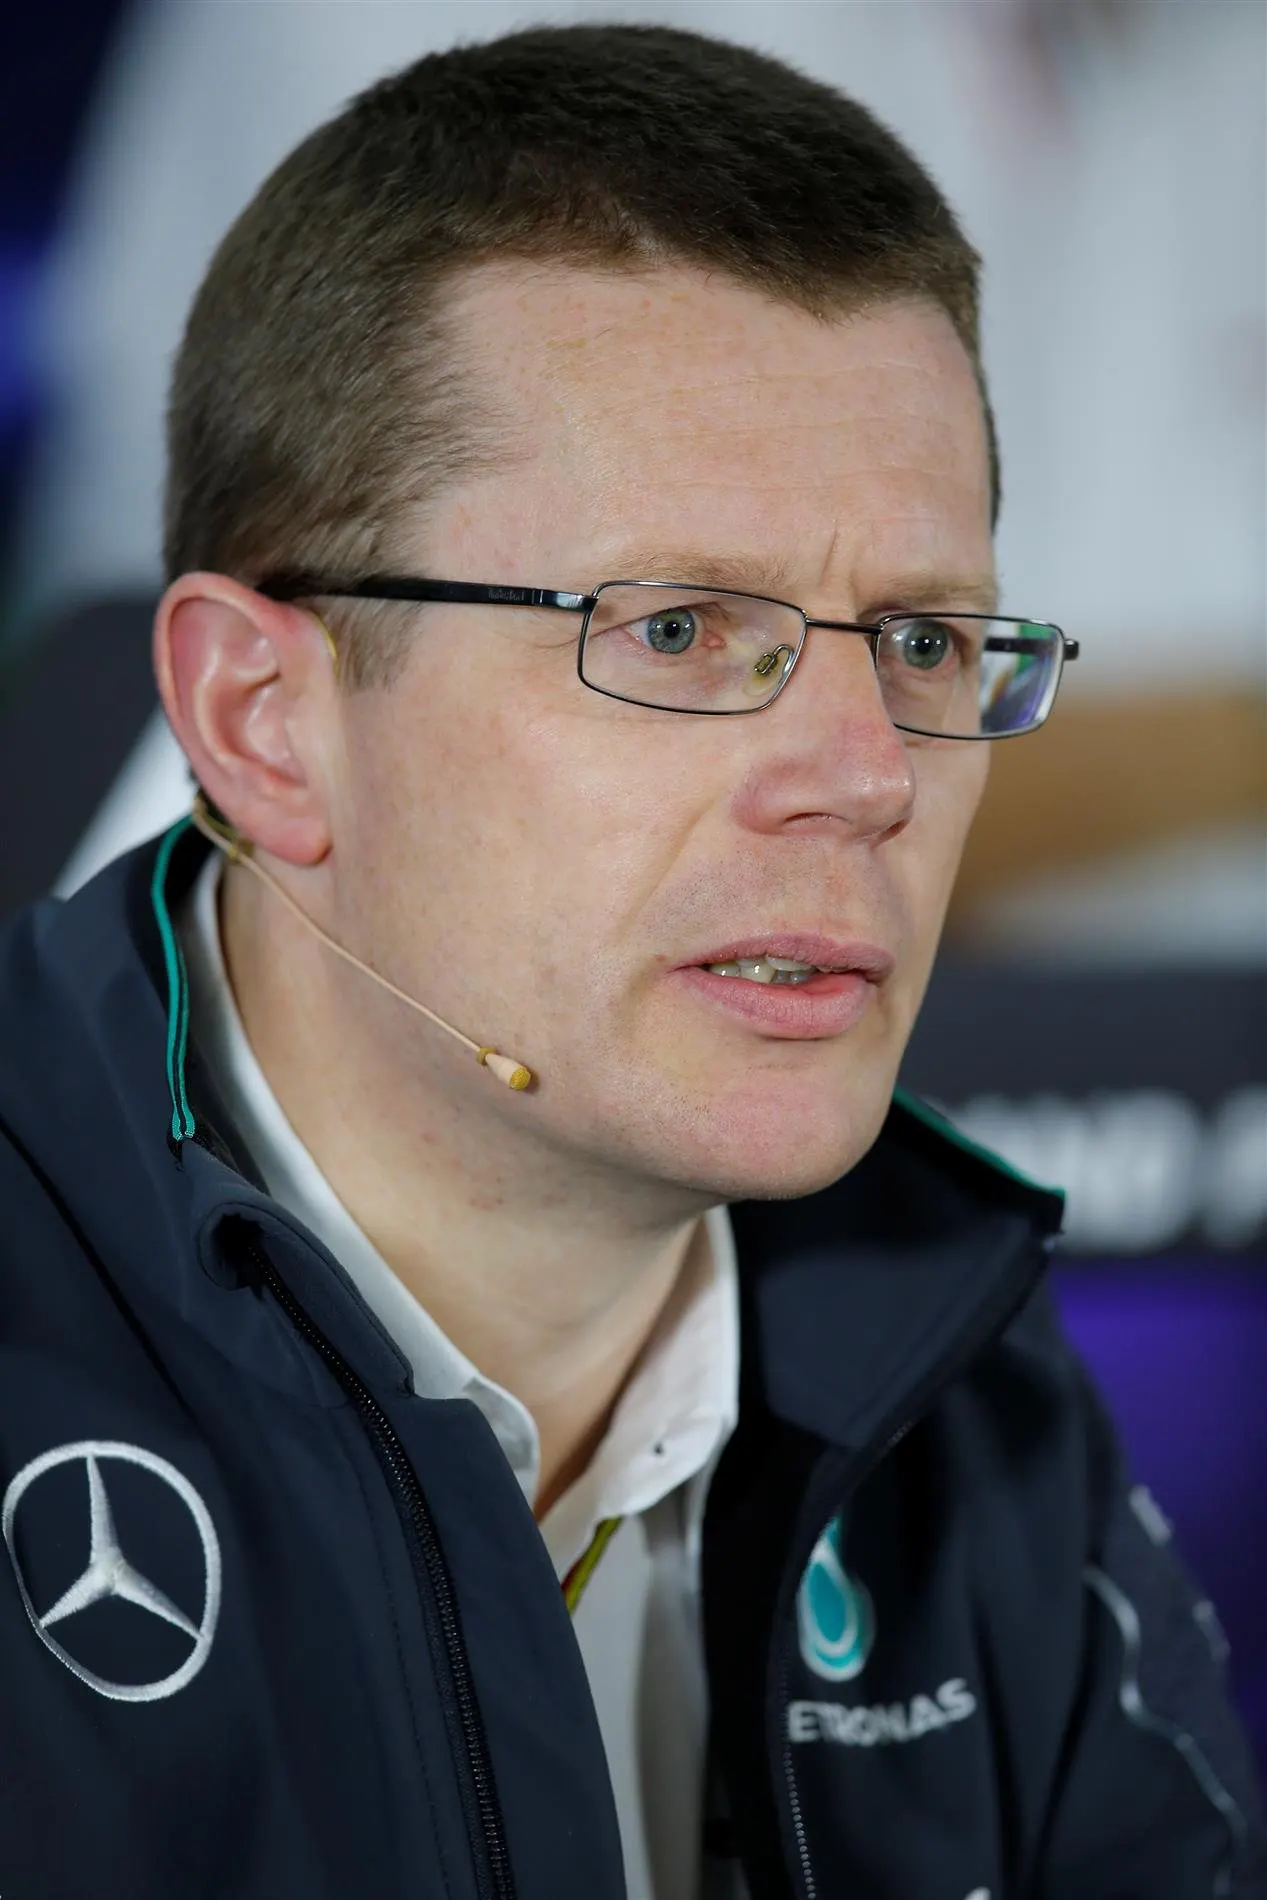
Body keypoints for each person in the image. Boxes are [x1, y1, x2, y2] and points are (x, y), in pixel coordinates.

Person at [0, 23, 1260, 1900]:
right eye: (675, 628)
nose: (863, 781)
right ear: (260, 719)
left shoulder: (962, 1384)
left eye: (924, 645)